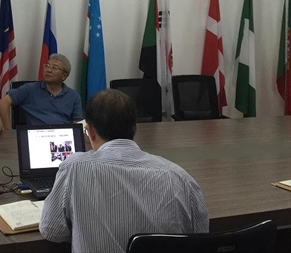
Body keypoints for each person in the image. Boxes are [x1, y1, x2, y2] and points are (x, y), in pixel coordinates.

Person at [39, 89, 209, 253]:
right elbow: (200, 238)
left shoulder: (74, 167)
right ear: (135, 128)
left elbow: (52, 231)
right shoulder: (179, 177)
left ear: (90, 131)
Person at [0, 53, 83, 128]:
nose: (49, 70)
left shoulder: (73, 96)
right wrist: (8, 130)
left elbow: (78, 123)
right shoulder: (30, 89)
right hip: (36, 136)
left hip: (62, 136)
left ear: (64, 76)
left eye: (54, 68)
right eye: (47, 66)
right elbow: (3, 102)